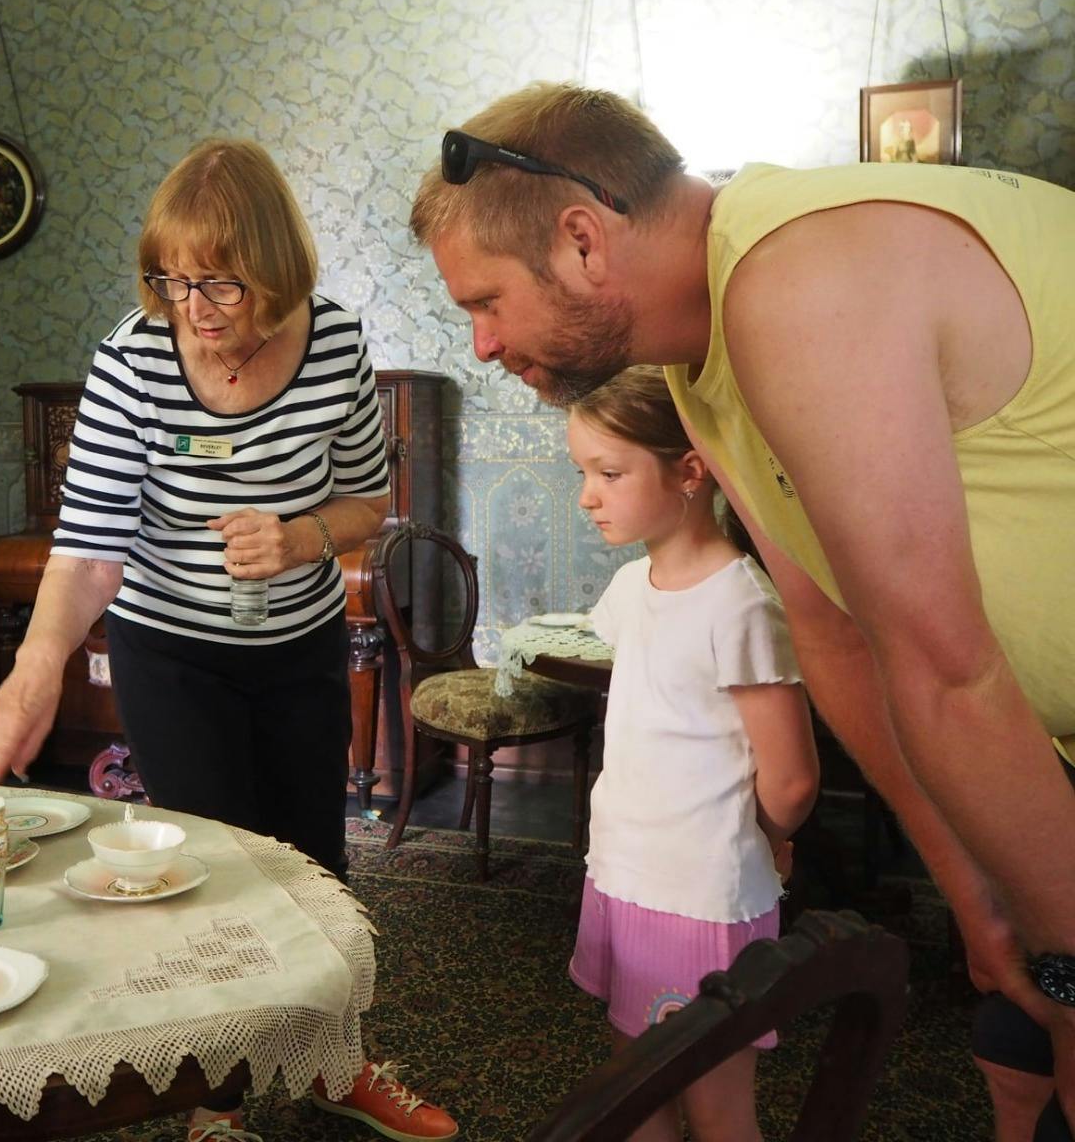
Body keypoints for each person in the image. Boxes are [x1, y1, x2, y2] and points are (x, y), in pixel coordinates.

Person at [410, 82, 1075, 1137]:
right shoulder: (692, 357)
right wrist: (968, 885)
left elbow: (946, 667)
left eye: (483, 302)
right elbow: (831, 626)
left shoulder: (796, 276)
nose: (482, 345)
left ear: (582, 240)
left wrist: (1065, 963)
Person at [0, 138, 458, 1142]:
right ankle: (215, 1096)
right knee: (217, 861)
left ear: (276, 271)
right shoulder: (132, 357)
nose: (192, 307)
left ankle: (335, 1061)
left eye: (219, 283)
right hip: (172, 651)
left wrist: (299, 539)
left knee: (315, 868)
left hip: (299, 645)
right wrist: (36, 668)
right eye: (171, 279)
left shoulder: (333, 343)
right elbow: (90, 544)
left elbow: (370, 501)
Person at [565, 366, 817, 1141]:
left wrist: (771, 839)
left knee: (712, 1095)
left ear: (690, 471)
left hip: (701, 893)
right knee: (632, 1080)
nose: (588, 495)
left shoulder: (742, 602)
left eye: (609, 473)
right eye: (584, 473)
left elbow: (793, 777)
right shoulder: (631, 587)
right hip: (625, 870)